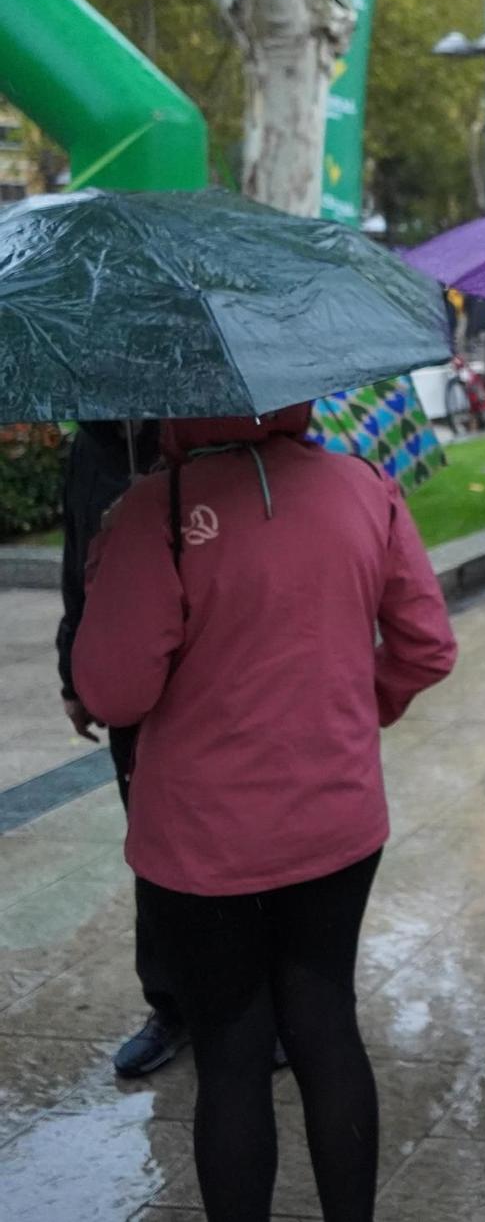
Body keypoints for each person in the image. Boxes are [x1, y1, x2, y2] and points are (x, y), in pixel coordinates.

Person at [71, 406, 457, 1222]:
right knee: (327, 1026)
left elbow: (114, 690)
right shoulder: (363, 487)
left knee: (233, 1053)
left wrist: (113, 564)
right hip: (338, 819)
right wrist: (355, 705)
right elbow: (426, 644)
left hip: (202, 841)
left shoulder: (155, 509)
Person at [53, 420, 185, 1078]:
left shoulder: (206, 431)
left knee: (236, 845)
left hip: (208, 672)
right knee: (153, 844)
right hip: (129, 676)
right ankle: (171, 1004)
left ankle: (261, 1002)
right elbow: (77, 556)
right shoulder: (94, 446)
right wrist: (72, 668)